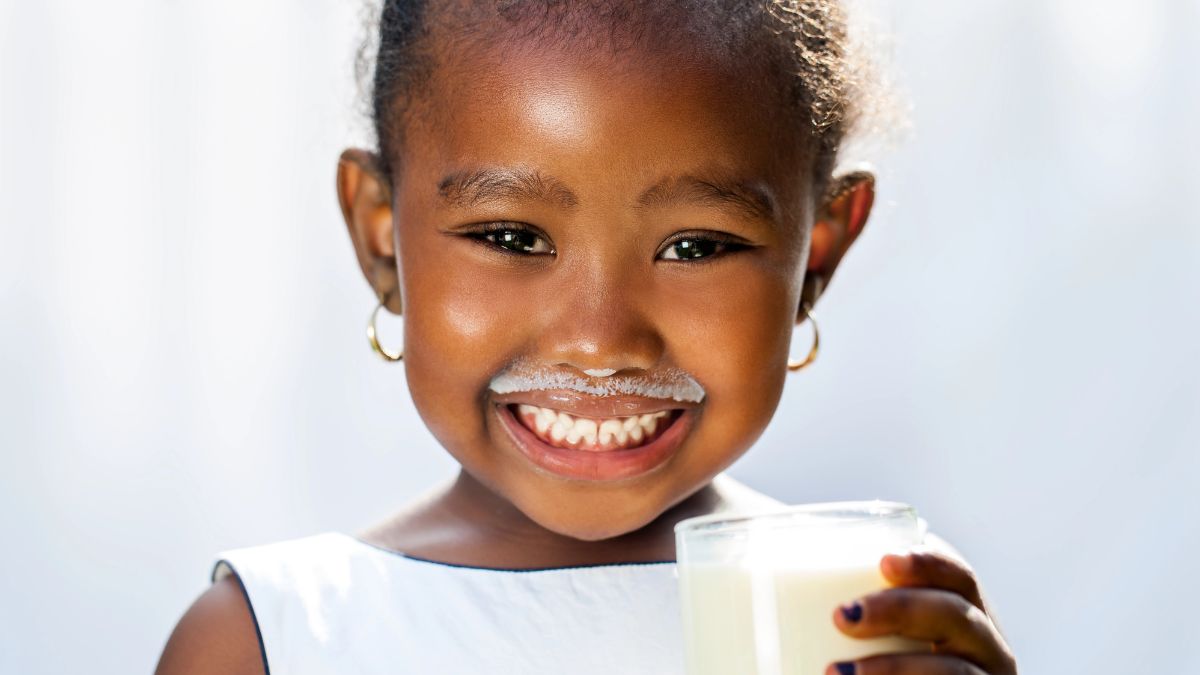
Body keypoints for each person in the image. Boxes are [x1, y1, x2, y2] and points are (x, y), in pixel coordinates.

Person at [156, 1, 1017, 673]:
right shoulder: (275, 640)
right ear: (382, 235)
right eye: (511, 237)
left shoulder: (879, 616)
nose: (600, 342)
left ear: (817, 253)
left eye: (696, 246)